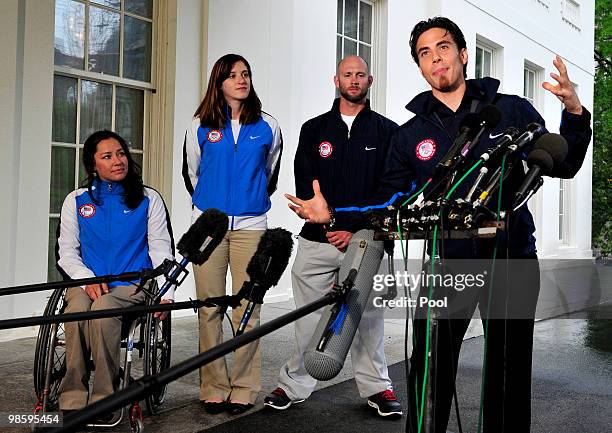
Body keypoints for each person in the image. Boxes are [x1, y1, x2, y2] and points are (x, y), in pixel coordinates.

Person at [285, 17, 591, 433]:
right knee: (429, 371)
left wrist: (573, 111)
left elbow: (565, 162)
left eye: (443, 47)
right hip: (447, 265)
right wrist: (335, 215)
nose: (435, 58)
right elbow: (390, 198)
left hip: (512, 258)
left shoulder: (511, 110)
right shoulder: (411, 134)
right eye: (424, 53)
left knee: (509, 371)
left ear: (463, 55)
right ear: (420, 66)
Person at [263, 55, 403, 418]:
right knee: (309, 317)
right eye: (347, 74)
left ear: (369, 80)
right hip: (315, 239)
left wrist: (350, 225)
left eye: (360, 75)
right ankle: (294, 384)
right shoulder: (314, 130)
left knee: (366, 317)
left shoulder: (388, 132)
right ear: (336, 80)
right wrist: (328, 226)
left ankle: (378, 387)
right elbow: (308, 190)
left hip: (366, 241)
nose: (353, 80)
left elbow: (391, 191)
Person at [182, 53, 283, 415]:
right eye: (232, 75)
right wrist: (212, 209)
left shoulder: (268, 126)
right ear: (218, 82)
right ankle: (213, 385)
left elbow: (269, 176)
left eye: (246, 74)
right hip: (209, 229)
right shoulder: (199, 124)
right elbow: (192, 174)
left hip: (252, 227)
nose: (241, 80)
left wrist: (248, 201)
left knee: (247, 307)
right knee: (207, 309)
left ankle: (243, 386)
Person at [56, 130, 175, 418]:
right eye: (107, 156)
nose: (117, 161)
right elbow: (67, 253)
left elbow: (161, 249)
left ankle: (105, 399)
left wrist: (166, 294)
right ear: (93, 164)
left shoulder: (148, 198)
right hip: (87, 281)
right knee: (76, 312)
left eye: (120, 153)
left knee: (104, 308)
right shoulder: (76, 200)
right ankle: (72, 399)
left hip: (133, 283)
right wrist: (88, 280)